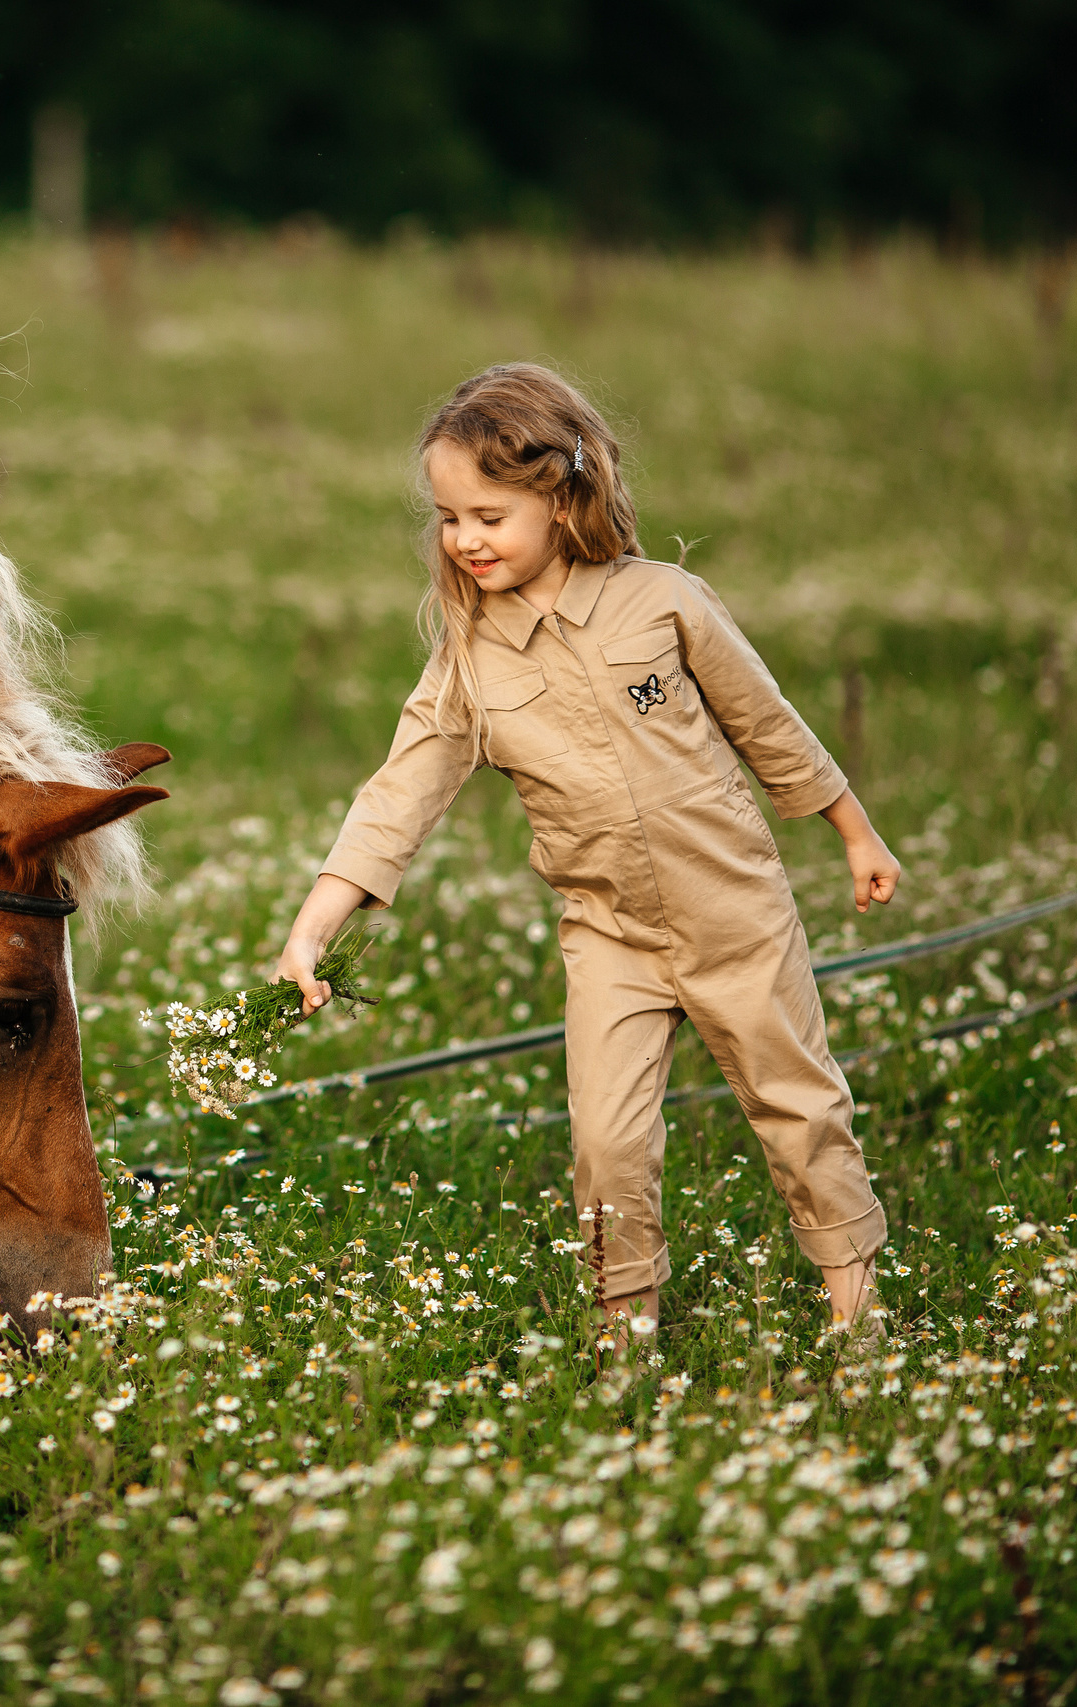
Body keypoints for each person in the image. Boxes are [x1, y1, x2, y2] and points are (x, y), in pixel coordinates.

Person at [276, 363, 900, 1342]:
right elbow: (396, 797)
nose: (463, 539)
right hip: (607, 933)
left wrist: (853, 833)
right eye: (448, 518)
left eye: (488, 514)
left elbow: (767, 725)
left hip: (732, 908)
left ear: (563, 498)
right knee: (605, 1143)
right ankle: (624, 1335)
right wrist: (313, 928)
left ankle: (854, 1313)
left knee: (797, 1105)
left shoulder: (662, 603)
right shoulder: (469, 664)